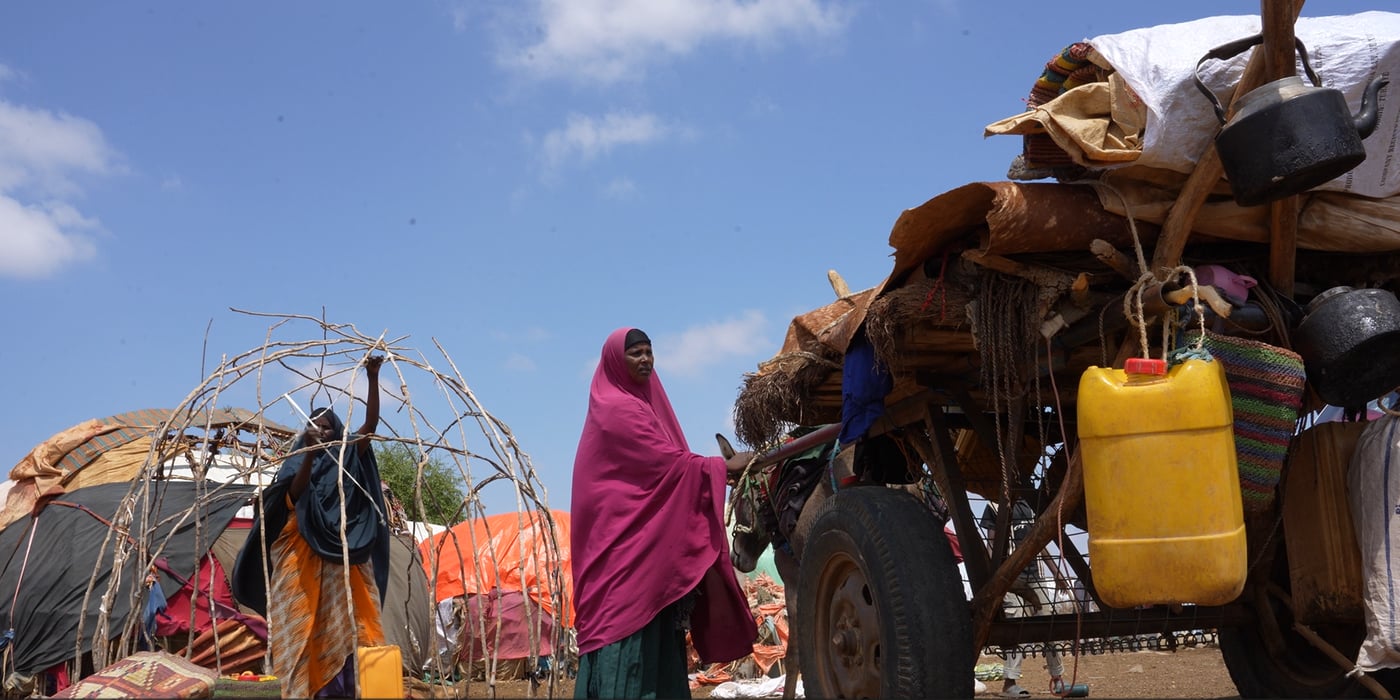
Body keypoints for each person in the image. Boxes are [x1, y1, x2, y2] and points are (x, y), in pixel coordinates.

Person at [570, 327, 758, 699]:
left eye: (648, 352)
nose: (644, 359)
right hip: (619, 558)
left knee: (656, 643)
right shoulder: (614, 409)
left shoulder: (646, 408)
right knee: (624, 648)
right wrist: (720, 468)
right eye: (635, 353)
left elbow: (670, 467)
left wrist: (713, 471)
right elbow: (666, 465)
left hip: (646, 558)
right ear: (615, 361)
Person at [232, 354, 392, 698]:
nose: (323, 431)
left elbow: (371, 426)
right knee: (303, 635)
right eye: (317, 426)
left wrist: (373, 377)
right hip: (303, 565)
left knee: (349, 633)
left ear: (337, 428)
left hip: (344, 566)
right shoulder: (298, 463)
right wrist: (308, 452)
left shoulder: (349, 454)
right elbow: (293, 494)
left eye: (328, 426)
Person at [981, 499, 1064, 698]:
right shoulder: (994, 505)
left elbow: (1040, 542)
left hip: (1034, 575)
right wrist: (999, 576)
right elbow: (991, 544)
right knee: (1015, 624)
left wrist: (1056, 572)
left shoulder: (1029, 505)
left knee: (1049, 619)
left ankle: (1058, 679)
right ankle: (1010, 683)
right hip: (1011, 576)